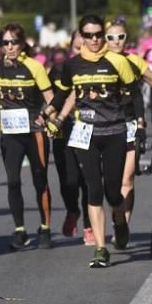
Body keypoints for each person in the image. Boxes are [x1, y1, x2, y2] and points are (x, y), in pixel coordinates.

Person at [51, 15, 139, 268]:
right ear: (81, 37)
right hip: (86, 134)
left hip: (114, 133)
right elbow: (64, 92)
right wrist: (49, 113)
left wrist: (139, 124)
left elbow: (135, 95)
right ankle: (101, 248)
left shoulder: (117, 61)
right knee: (93, 190)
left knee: (113, 192)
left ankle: (120, 222)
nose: (94, 40)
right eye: (88, 35)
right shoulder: (73, 65)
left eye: (98, 34)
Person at [0, 23, 55, 249]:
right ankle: (20, 230)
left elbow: (50, 97)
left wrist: (46, 115)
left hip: (34, 131)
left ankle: (46, 228)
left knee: (40, 179)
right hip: (10, 133)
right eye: (5, 43)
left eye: (14, 42)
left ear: (22, 44)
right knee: (12, 181)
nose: (9, 47)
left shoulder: (34, 66)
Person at [106, 20, 152, 225]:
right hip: (104, 126)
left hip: (129, 123)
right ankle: (117, 213)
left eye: (121, 36)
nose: (116, 41)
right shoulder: (98, 61)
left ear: (127, 39)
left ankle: (123, 225)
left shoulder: (135, 61)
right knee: (110, 183)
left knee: (127, 179)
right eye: (111, 37)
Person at [48, 43, 91, 244]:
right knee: (69, 180)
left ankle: (90, 225)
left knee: (88, 180)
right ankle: (72, 210)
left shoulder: (95, 69)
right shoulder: (57, 71)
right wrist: (48, 118)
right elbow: (50, 98)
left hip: (89, 128)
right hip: (62, 129)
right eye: (77, 46)